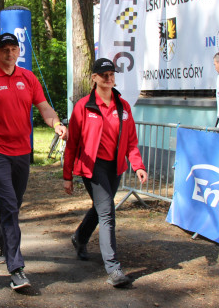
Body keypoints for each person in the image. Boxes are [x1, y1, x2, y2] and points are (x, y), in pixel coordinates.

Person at [0, 33, 67, 290]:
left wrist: (56, 124)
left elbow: (44, 107)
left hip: (21, 152)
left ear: (19, 52)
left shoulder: (27, 78)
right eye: (3, 49)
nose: (9, 53)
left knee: (13, 204)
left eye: (13, 48)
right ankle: (16, 268)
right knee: (9, 205)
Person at [62, 57, 148, 288]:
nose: (109, 78)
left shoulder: (123, 106)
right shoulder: (84, 106)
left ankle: (79, 238)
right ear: (94, 78)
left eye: (112, 74)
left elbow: (131, 141)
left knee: (101, 206)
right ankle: (113, 268)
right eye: (104, 75)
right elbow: (72, 144)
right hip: (92, 166)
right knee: (107, 211)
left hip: (115, 167)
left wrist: (138, 165)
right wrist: (67, 175)